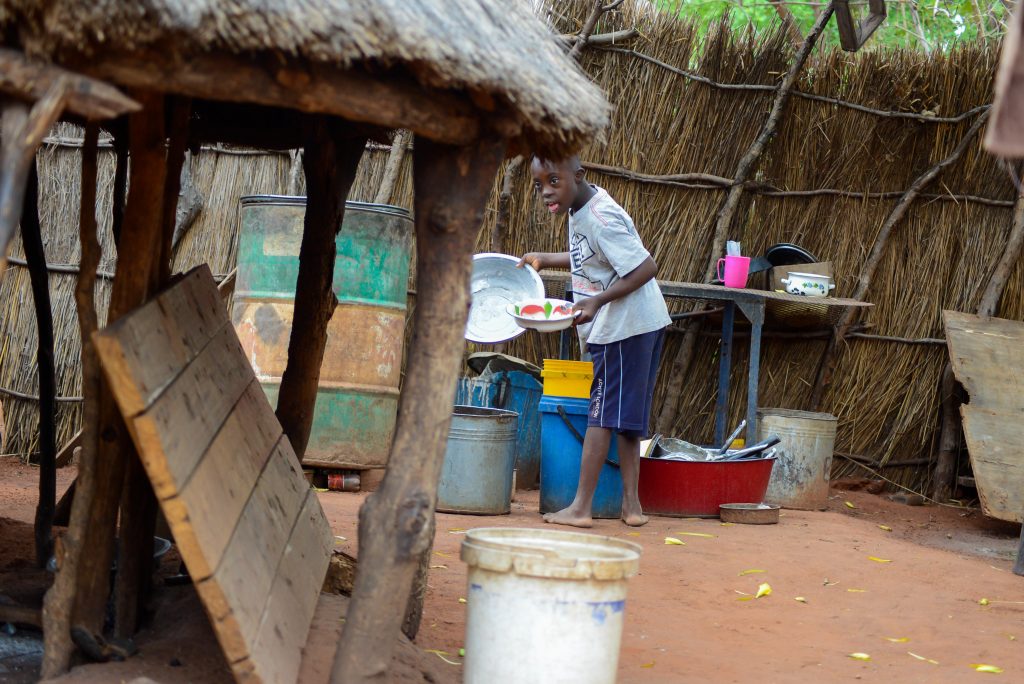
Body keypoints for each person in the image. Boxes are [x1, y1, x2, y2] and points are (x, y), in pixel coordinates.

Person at [518, 155, 671, 527]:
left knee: (601, 414)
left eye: (553, 181)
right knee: (626, 419)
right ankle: (631, 507)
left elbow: (646, 267)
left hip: (624, 326)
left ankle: (581, 507)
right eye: (539, 185)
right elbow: (591, 257)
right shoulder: (581, 206)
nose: (545, 192)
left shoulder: (601, 218)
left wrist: (598, 300)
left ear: (578, 176)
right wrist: (545, 259)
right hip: (641, 322)